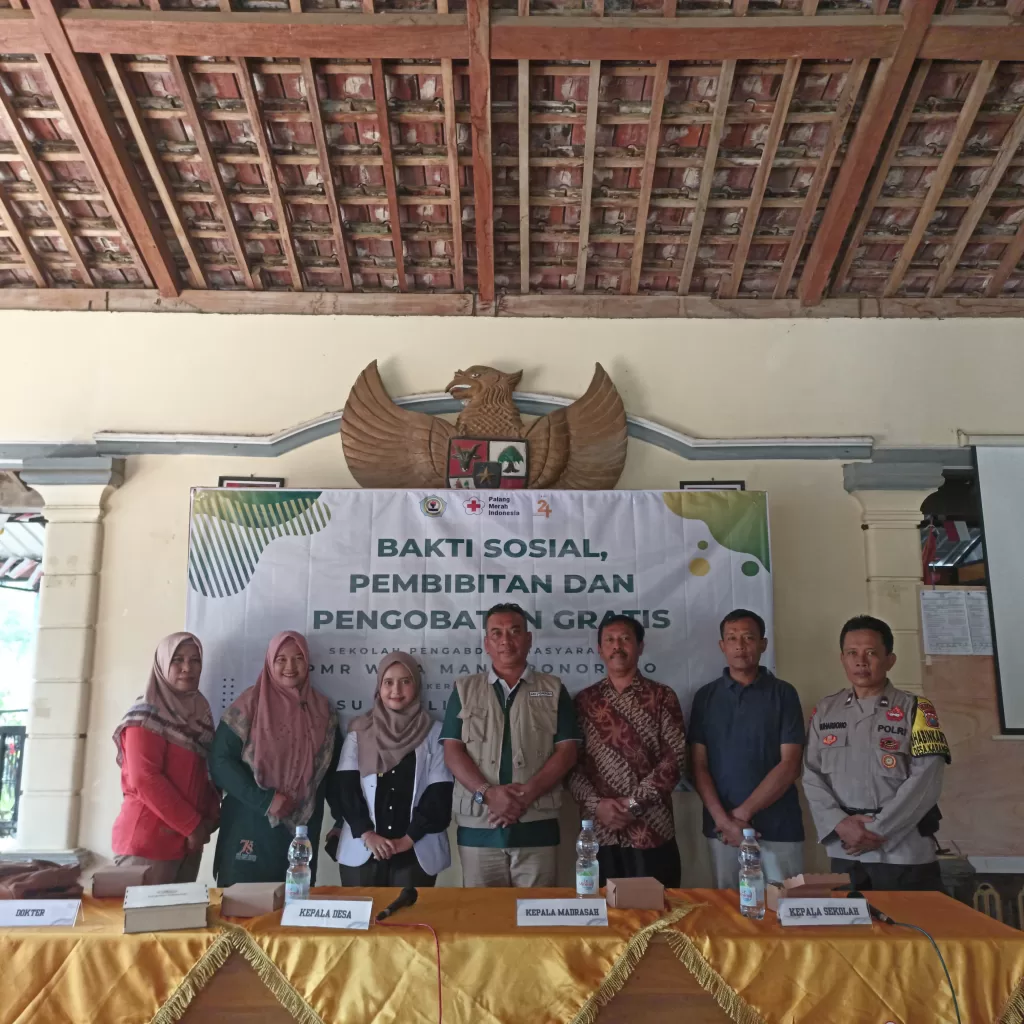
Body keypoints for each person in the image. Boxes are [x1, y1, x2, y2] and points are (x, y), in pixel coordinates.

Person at [803, 614, 950, 891]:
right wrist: (840, 824)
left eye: (871, 653)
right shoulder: (826, 710)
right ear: (842, 659)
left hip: (903, 852)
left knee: (908, 920)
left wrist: (878, 830)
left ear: (890, 659)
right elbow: (811, 775)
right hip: (846, 849)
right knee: (851, 920)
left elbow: (927, 780)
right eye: (852, 653)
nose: (861, 661)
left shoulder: (916, 709)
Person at [442, 603, 582, 887]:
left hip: (536, 825)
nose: (506, 640)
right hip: (479, 827)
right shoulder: (464, 689)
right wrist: (488, 793)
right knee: (481, 911)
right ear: (486, 643)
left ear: (528, 639)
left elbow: (567, 752)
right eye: (497, 633)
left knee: (536, 911)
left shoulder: (553, 688)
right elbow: (452, 751)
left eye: (514, 631)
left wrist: (527, 795)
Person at [210, 630, 340, 887]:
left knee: (295, 906)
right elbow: (220, 761)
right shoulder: (249, 705)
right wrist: (266, 801)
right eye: (281, 659)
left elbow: (332, 773)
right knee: (242, 907)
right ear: (270, 662)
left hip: (301, 833)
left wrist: (341, 820)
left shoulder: (323, 712)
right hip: (250, 823)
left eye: (298, 658)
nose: (290, 667)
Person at [689, 609, 805, 888]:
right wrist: (724, 821)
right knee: (729, 909)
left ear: (763, 644)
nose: (740, 645)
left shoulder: (784, 694)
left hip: (778, 827)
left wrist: (740, 816)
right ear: (722, 646)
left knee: (784, 906)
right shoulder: (706, 697)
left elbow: (790, 765)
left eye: (748, 637)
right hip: (723, 831)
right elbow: (697, 766)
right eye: (732, 638)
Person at [568, 616, 686, 887]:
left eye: (625, 639)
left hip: (652, 828)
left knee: (656, 908)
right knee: (602, 909)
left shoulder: (661, 696)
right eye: (609, 640)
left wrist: (634, 804)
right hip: (598, 832)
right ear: (600, 650)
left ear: (640, 646)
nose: (617, 646)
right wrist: (598, 806)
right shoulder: (584, 701)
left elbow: (675, 759)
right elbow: (571, 764)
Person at [329, 653, 453, 887]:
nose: (396, 689)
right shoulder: (360, 731)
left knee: (410, 912)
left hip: (415, 851)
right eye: (388, 682)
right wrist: (368, 835)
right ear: (379, 686)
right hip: (363, 849)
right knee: (363, 911)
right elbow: (345, 789)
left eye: (405, 681)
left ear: (416, 685)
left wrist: (407, 839)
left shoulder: (433, 732)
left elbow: (440, 794)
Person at [111, 632, 220, 883]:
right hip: (148, 844)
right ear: (162, 664)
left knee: (181, 911)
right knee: (144, 911)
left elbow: (203, 773)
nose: (187, 668)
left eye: (195, 660)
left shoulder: (198, 713)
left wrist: (209, 818)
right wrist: (193, 825)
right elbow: (144, 779)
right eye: (177, 660)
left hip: (187, 843)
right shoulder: (145, 717)